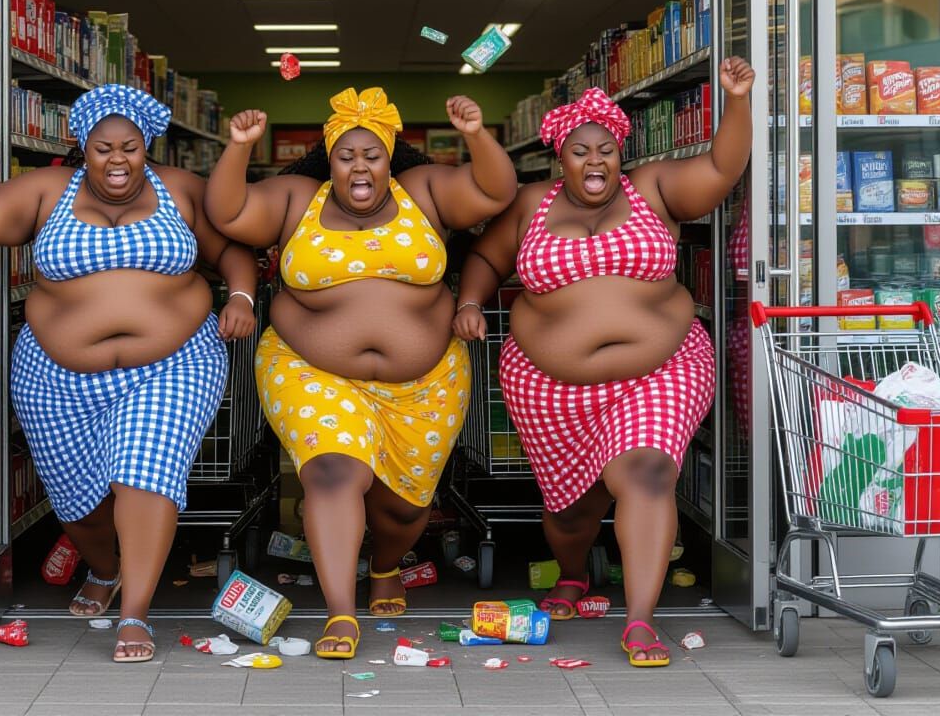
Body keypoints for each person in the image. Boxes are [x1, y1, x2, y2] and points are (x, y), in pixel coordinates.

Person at [0, 84, 258, 663]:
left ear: (146, 146)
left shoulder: (180, 190)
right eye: (104, 148)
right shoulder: (50, 191)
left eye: (130, 147)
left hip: (173, 364)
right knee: (79, 503)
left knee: (144, 472)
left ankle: (136, 615)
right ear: (83, 145)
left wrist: (243, 298)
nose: (118, 159)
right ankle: (104, 569)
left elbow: (231, 251)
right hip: (56, 375)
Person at [453, 57, 756, 667]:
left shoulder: (654, 188)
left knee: (646, 474)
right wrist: (468, 302)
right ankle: (573, 573)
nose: (596, 162)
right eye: (580, 151)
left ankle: (640, 620)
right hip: (550, 387)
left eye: (607, 149)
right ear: (557, 158)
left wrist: (736, 99)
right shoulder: (531, 204)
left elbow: (723, 168)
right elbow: (486, 260)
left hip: (660, 369)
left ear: (622, 154)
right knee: (571, 510)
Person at [204, 86, 517, 659]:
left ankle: (386, 560)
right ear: (330, 160)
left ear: (389, 157)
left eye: (371, 155)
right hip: (311, 370)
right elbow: (227, 211)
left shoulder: (423, 190)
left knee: (404, 507)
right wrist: (239, 147)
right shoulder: (299, 197)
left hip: (425, 383)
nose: (359, 167)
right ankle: (340, 612)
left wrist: (476, 134)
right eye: (346, 156)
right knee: (332, 474)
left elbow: (496, 191)